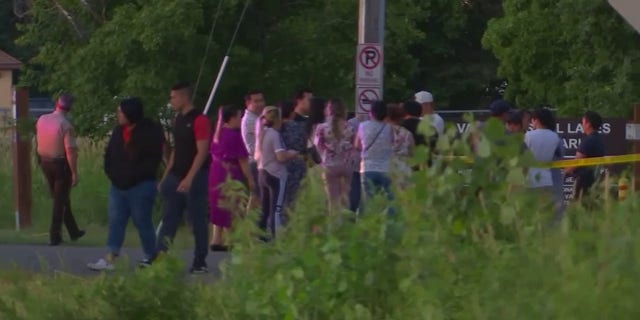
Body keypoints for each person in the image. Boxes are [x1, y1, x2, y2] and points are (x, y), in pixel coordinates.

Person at [87, 97, 165, 271]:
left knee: (142, 221)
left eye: (121, 112)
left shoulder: (149, 132)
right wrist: (112, 173)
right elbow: (109, 155)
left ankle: (151, 255)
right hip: (117, 185)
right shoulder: (117, 132)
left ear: (131, 113)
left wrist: (135, 176)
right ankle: (110, 257)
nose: (118, 115)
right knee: (116, 220)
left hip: (141, 185)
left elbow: (153, 160)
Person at [156, 82, 211, 274]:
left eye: (173, 97)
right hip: (175, 175)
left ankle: (200, 261)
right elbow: (176, 150)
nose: (171, 101)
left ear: (183, 97)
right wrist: (166, 176)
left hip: (195, 177)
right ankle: (160, 256)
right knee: (169, 217)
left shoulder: (200, 120)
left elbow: (202, 152)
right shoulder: (178, 119)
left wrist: (189, 178)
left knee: (197, 220)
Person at [35, 93, 85, 246]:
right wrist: (74, 172)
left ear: (57, 103)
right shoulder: (65, 125)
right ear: (70, 107)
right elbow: (70, 150)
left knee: (61, 197)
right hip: (60, 164)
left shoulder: (42, 119)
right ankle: (54, 235)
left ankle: (73, 231)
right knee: (59, 200)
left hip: (44, 161)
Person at [208, 105, 253, 252]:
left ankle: (216, 238)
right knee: (232, 203)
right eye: (238, 117)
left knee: (219, 203)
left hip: (215, 172)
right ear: (232, 118)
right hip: (229, 172)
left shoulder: (218, 134)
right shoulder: (235, 136)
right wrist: (250, 180)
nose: (240, 120)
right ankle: (231, 239)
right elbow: (243, 161)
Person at [255, 106, 300, 238]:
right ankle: (277, 236)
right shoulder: (274, 135)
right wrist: (292, 153)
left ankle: (261, 233)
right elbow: (281, 157)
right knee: (277, 208)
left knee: (265, 206)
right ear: (277, 120)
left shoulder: (261, 134)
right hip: (276, 174)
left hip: (262, 171)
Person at [313, 99, 355, 214]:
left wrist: (324, 157)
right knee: (345, 200)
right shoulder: (349, 127)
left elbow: (317, 145)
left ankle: (334, 228)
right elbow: (353, 146)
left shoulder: (321, 128)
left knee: (332, 202)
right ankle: (346, 228)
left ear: (328, 110)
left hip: (329, 165)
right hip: (346, 165)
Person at [355, 100, 395, 214]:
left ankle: (366, 225)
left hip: (367, 168)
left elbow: (357, 145)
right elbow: (392, 143)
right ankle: (389, 223)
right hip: (385, 168)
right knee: (390, 200)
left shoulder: (362, 126)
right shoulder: (389, 128)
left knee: (368, 201)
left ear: (371, 112)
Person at [281, 88, 313, 210]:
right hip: (291, 166)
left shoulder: (306, 121)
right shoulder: (294, 123)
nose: (311, 103)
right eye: (309, 99)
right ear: (299, 100)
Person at [565, 111, 605, 200]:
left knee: (578, 207)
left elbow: (577, 162)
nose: (581, 125)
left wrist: (565, 172)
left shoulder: (588, 141)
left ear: (588, 124)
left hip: (584, 181)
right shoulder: (599, 140)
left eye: (583, 122)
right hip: (595, 179)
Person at [240, 90, 266, 213]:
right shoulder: (251, 120)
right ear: (248, 103)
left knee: (256, 196)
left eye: (261, 100)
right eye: (256, 101)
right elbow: (255, 147)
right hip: (256, 162)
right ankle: (250, 227)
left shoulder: (258, 118)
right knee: (257, 197)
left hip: (259, 161)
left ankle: (249, 226)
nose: (260, 103)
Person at [387, 104, 415, 187]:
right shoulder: (407, 133)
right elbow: (412, 152)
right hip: (404, 168)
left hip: (388, 167)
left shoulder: (383, 132)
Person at [347, 113, 367, 213]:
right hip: (358, 164)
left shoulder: (350, 123)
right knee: (355, 196)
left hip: (359, 164)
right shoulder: (351, 123)